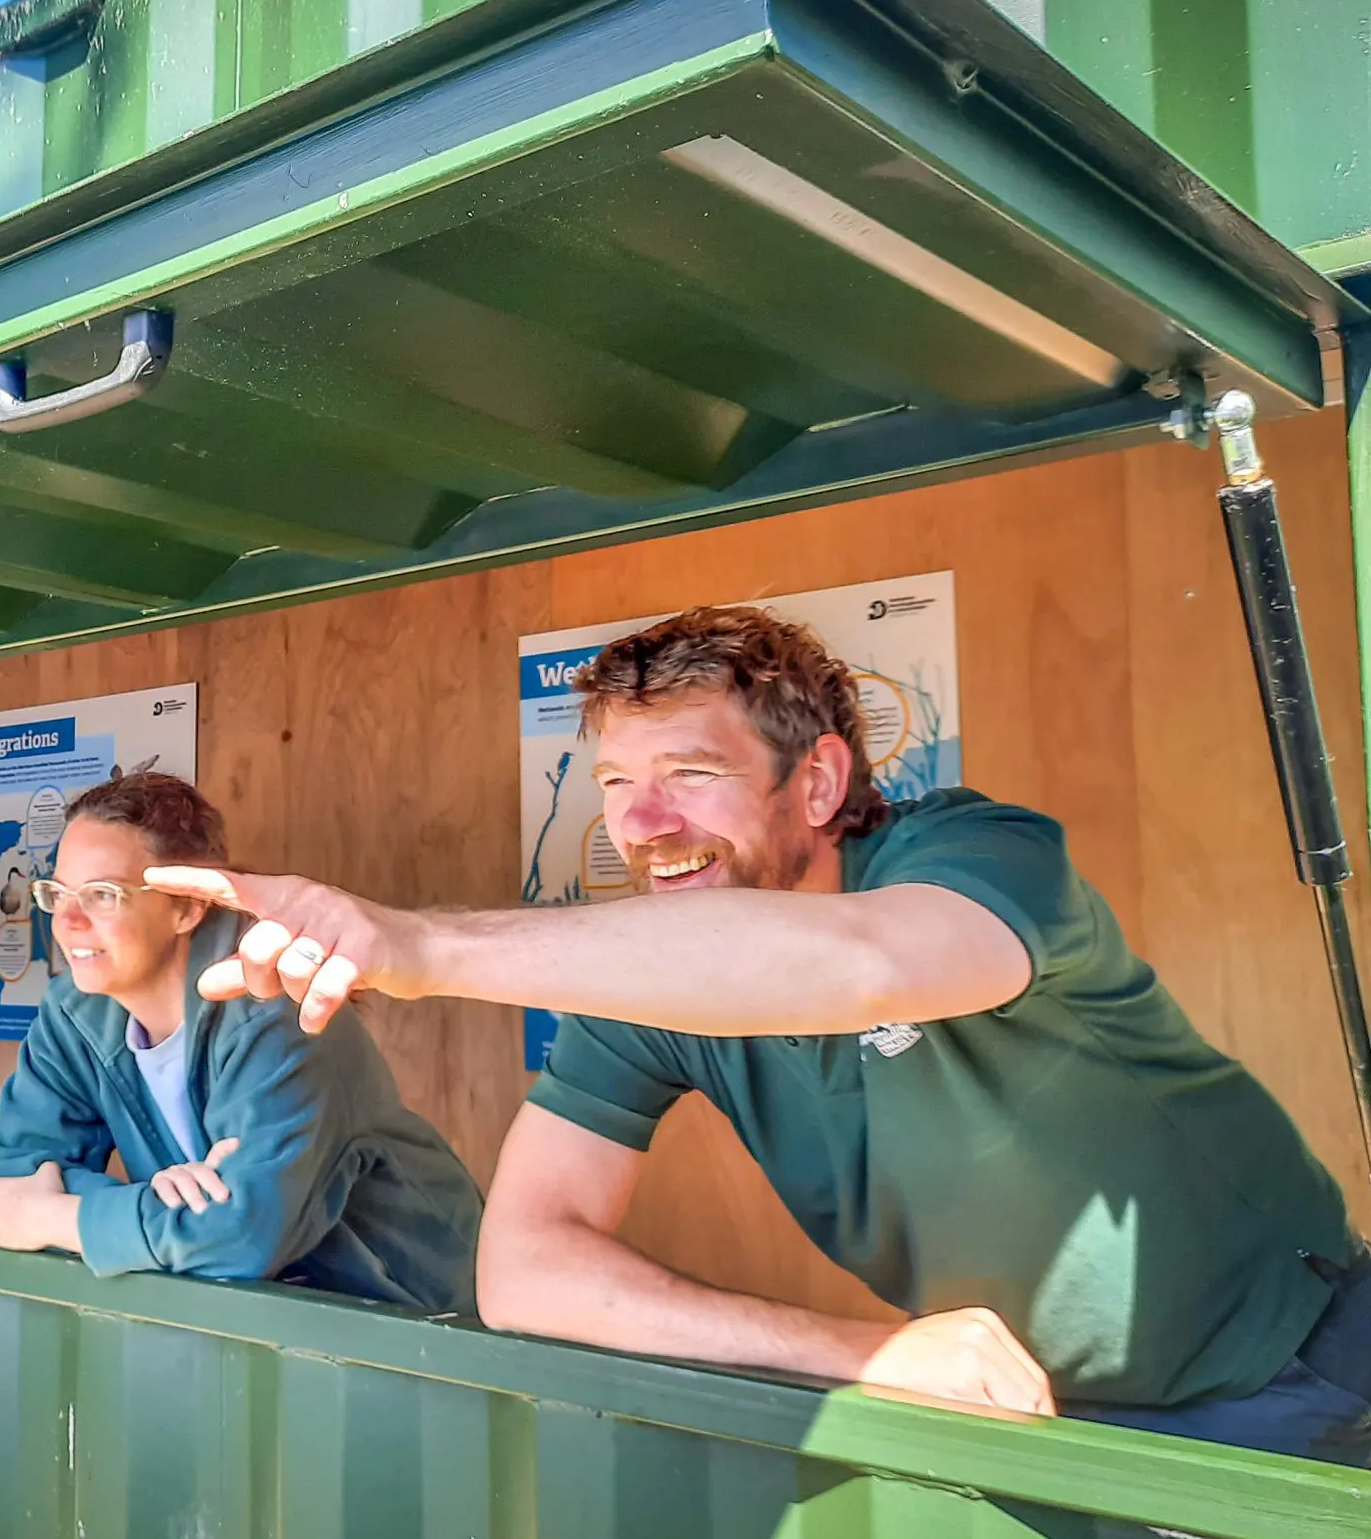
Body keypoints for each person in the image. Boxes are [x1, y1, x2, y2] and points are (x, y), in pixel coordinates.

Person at [150, 605, 1371, 1465]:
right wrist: (865, 1355)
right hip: (1028, 1417)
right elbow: (525, 1274)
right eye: (616, 785)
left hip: (1297, 1368)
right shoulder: (647, 981)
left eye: (687, 773)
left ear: (821, 785)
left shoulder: (977, 853)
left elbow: (861, 965)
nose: (644, 823)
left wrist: (423, 950)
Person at [0, 773, 483, 1314]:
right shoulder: (75, 1010)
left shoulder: (276, 1009)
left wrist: (58, 1217)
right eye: (58, 893)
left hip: (415, 1319)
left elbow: (239, 1237)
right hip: (260, 1316)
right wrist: (155, 1205)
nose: (67, 922)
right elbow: (0, 1185)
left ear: (186, 909)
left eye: (102, 896)